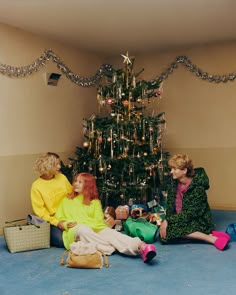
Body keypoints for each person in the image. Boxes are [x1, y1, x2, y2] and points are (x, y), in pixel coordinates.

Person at [56, 172, 157, 263]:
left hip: (96, 229)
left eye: (80, 182)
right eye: (75, 181)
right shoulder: (66, 200)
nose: (75, 184)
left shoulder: (95, 202)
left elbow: (99, 222)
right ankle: (111, 247)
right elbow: (60, 219)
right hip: (75, 231)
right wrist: (66, 224)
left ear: (88, 185)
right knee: (83, 229)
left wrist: (90, 224)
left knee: (112, 233)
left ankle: (141, 246)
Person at [159, 154, 230, 250]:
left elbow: (190, 214)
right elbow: (170, 205)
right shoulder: (173, 183)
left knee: (170, 233)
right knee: (163, 235)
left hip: (199, 221)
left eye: (174, 169)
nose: (171, 172)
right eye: (171, 169)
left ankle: (210, 238)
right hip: (180, 219)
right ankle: (202, 235)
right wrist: (166, 221)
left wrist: (168, 221)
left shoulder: (198, 188)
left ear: (184, 171)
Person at [30, 152, 72, 247]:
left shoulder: (62, 178)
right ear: (48, 166)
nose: (59, 166)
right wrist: (57, 222)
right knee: (61, 241)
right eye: (56, 164)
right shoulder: (36, 186)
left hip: (68, 215)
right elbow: (40, 212)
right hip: (52, 221)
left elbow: (72, 195)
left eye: (59, 163)